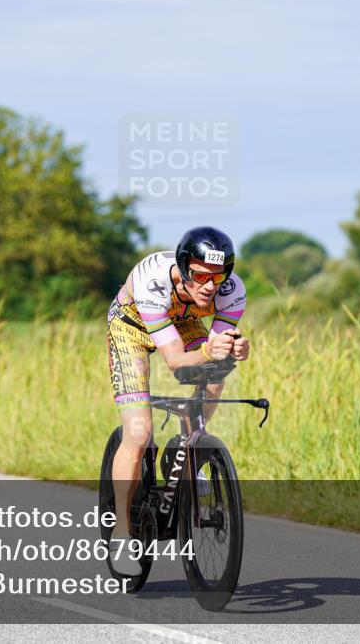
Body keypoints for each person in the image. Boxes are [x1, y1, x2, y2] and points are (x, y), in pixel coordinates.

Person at [106, 226, 250, 575]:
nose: (209, 286)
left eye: (218, 277)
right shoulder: (152, 280)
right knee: (139, 433)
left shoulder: (232, 292)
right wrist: (208, 351)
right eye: (200, 276)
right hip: (133, 327)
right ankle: (122, 533)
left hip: (183, 325)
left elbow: (213, 354)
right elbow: (175, 361)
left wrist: (232, 349)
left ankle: (188, 446)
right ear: (185, 268)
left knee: (216, 372)